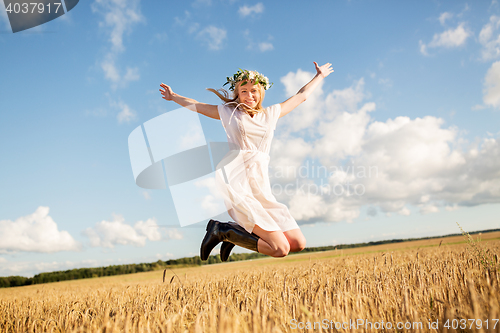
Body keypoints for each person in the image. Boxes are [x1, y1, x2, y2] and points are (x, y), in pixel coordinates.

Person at [159, 62, 333, 260]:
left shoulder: (271, 114)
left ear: (261, 92)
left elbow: (301, 96)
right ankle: (224, 231)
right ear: (237, 94)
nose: (249, 96)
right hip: (238, 180)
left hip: (260, 183)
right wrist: (174, 97)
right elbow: (198, 106)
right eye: (244, 91)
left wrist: (319, 76)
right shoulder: (229, 112)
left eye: (253, 91)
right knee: (280, 249)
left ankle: (232, 235)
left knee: (297, 243)